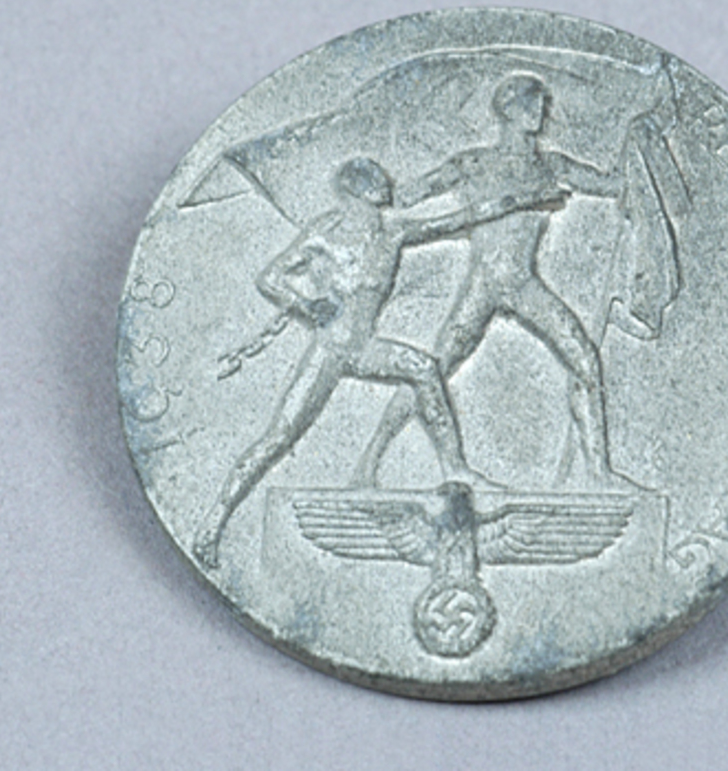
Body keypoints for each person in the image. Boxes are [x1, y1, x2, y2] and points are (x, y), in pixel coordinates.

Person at [192, 155, 568, 568]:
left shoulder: (392, 233)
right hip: (330, 351)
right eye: (375, 186)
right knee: (279, 437)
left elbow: (461, 218)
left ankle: (455, 468)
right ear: (357, 193)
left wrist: (527, 199)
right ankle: (214, 522)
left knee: (424, 368)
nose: (385, 190)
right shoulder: (324, 235)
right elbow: (270, 278)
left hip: (365, 348)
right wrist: (307, 305)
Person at [352, 73, 662, 491]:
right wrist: (375, 183)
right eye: (531, 103)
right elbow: (405, 197)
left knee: (586, 360)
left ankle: (599, 474)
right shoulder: (473, 164)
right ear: (508, 109)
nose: (540, 111)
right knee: (432, 372)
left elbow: (612, 185)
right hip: (483, 286)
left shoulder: (551, 167)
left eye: (542, 104)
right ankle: (368, 462)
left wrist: (640, 143)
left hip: (522, 285)